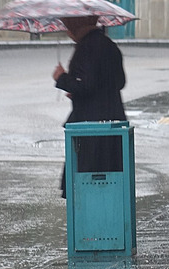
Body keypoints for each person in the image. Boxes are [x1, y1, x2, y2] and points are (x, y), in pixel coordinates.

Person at [52, 15, 127, 198]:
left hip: (90, 127)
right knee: (111, 179)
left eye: (68, 26)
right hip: (112, 122)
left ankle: (89, 222)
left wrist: (61, 78)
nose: (67, 32)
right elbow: (119, 82)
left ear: (77, 25)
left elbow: (85, 85)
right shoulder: (109, 45)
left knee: (87, 180)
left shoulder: (86, 48)